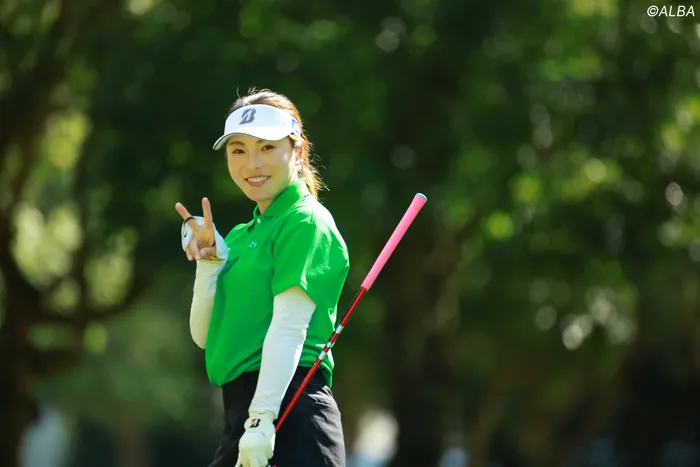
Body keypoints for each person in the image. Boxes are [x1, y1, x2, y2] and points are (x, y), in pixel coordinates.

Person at [174, 88, 350, 467]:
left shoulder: (305, 221)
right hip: (244, 416)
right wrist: (209, 264)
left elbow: (289, 328)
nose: (252, 164)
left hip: (291, 414)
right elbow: (205, 337)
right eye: (238, 150)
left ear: (297, 150)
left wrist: (261, 418)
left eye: (267, 147)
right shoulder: (239, 237)